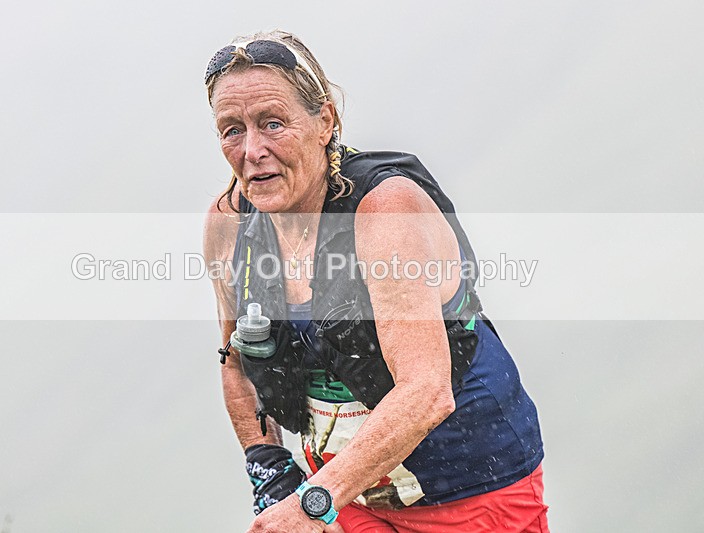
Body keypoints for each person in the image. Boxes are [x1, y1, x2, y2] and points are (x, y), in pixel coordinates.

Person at [202, 30, 549, 533]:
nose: (252, 150)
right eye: (231, 129)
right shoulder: (229, 223)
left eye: (272, 123)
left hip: (474, 490)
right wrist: (269, 471)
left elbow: (427, 390)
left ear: (325, 120)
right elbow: (234, 359)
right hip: (348, 496)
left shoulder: (384, 209)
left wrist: (308, 504)